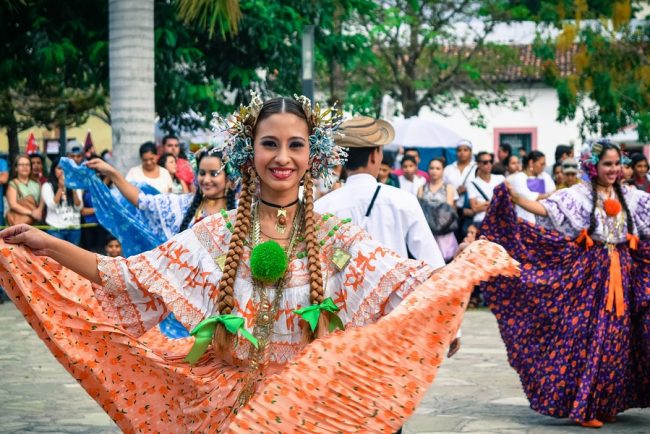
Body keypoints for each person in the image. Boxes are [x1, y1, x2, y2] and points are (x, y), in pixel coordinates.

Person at [0, 95, 516, 432]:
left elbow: (401, 278)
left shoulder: (337, 238)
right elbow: (125, 275)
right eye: (269, 143)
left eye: (295, 145)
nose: (282, 156)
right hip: (229, 408)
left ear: (312, 155)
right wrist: (46, 245)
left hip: (312, 413)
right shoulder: (216, 233)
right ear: (250, 153)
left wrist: (458, 277)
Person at [482, 139, 650, 428]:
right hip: (591, 274)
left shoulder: (631, 196)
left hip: (624, 272)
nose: (613, 169)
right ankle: (586, 406)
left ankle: (609, 402)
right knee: (592, 335)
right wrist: (516, 198)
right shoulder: (579, 195)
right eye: (607, 164)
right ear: (592, 166)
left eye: (616, 164)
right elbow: (547, 210)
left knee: (619, 338)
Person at [314, 115, 445, 270]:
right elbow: (433, 263)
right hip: (397, 293)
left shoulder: (322, 207)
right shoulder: (403, 200)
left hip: (343, 293)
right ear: (375, 155)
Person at [417, 158, 458, 262]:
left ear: (443, 170)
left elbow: (449, 209)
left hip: (444, 229)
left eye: (438, 168)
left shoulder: (449, 188)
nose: (434, 171)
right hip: (427, 230)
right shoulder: (421, 188)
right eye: (431, 168)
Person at [41, 158, 83, 244]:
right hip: (56, 229)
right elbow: (52, 206)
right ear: (54, 170)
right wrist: (61, 188)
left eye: (65, 169)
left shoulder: (76, 185)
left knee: (73, 256)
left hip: (74, 228)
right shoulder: (47, 186)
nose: (63, 172)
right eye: (60, 168)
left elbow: (79, 207)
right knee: (56, 256)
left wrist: (73, 189)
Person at [507, 150, 555, 223]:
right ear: (531, 163)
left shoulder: (545, 176)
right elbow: (527, 197)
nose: (543, 167)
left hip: (543, 219)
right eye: (541, 164)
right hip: (524, 218)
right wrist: (546, 195)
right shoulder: (519, 178)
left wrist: (544, 196)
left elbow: (553, 193)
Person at [443, 139, 476, 238]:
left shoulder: (476, 168)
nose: (462, 153)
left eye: (465, 150)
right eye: (459, 150)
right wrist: (456, 192)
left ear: (470, 152)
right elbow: (443, 188)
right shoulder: (448, 169)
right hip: (453, 211)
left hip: (471, 210)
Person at [467, 152, 504, 227]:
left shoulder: (500, 178)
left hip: (499, 220)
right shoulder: (472, 183)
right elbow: (474, 208)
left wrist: (482, 204)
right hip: (480, 220)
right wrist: (495, 203)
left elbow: (505, 201)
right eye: (485, 162)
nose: (489, 164)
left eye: (491, 161)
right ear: (478, 164)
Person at [6, 155, 43, 226]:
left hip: (35, 222)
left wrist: (39, 211)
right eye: (21, 165)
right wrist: (31, 213)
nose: (25, 167)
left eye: (27, 165)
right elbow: (13, 205)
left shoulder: (37, 183)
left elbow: (40, 202)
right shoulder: (13, 184)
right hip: (19, 221)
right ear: (16, 168)